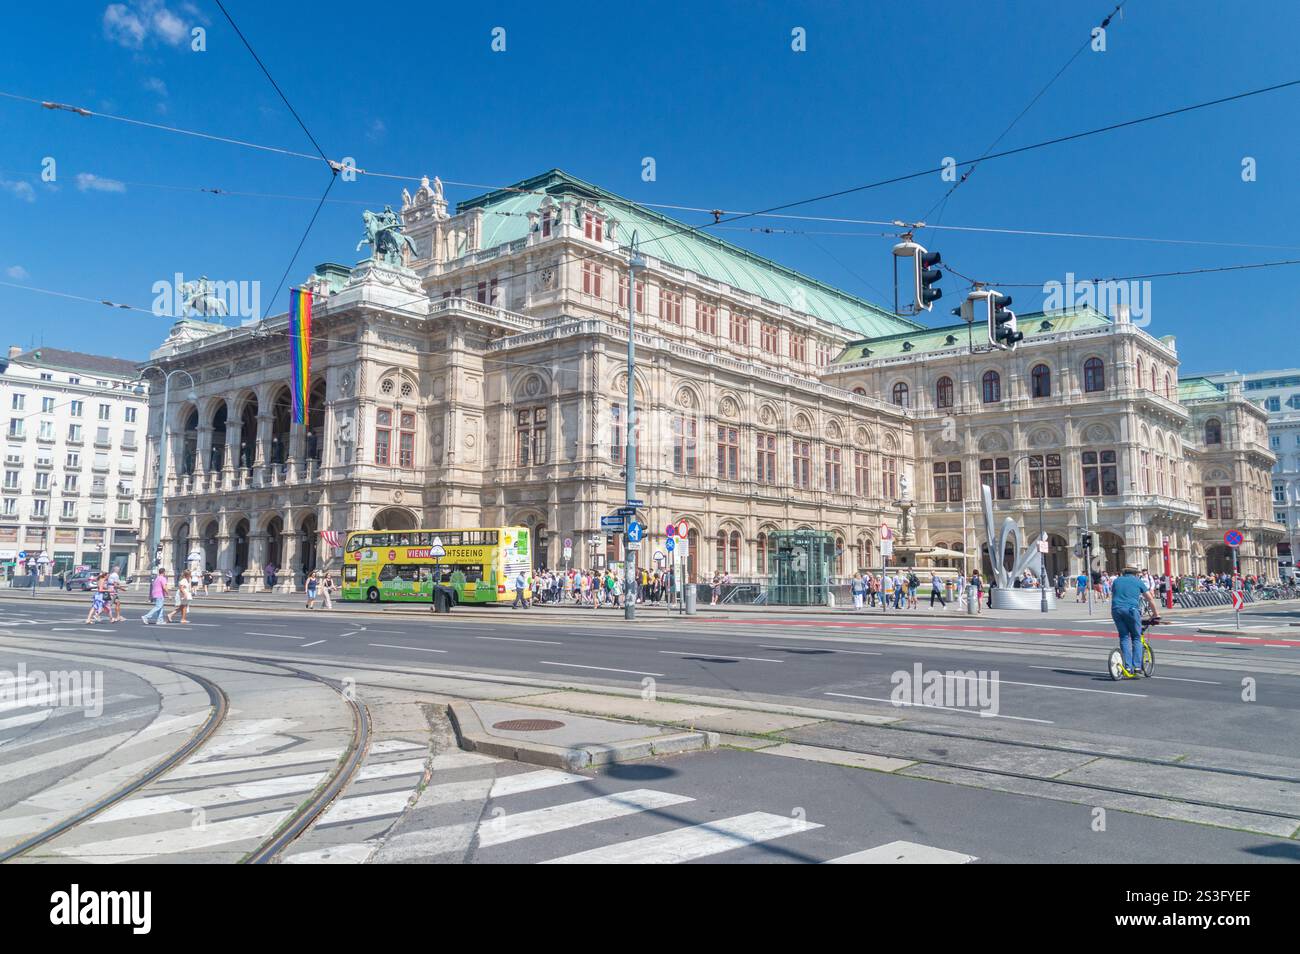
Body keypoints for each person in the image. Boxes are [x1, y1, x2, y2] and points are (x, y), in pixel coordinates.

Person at [1111, 565, 1160, 677]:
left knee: (1124, 637)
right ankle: (1137, 666)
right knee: (1136, 637)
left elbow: (1114, 594)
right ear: (1135, 574)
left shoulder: (1116, 581)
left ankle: (1127, 666)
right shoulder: (1137, 581)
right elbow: (1150, 598)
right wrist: (1156, 614)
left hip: (1116, 610)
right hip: (1131, 610)